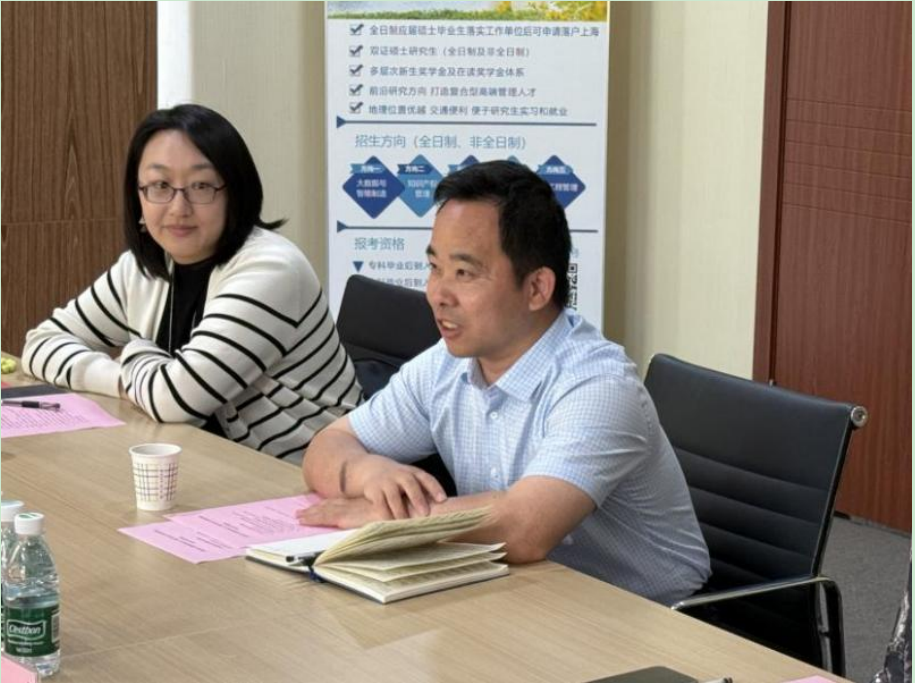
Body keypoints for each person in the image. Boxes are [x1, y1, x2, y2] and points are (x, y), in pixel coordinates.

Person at [299, 160, 710, 604]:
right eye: (435, 267)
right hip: (526, 595)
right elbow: (326, 448)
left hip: (653, 618)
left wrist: (385, 520)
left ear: (536, 289)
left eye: (464, 273)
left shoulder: (598, 387)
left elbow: (524, 528)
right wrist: (370, 473)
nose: (437, 294)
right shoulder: (445, 365)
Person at [22, 104, 360, 460]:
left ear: (235, 192)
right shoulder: (143, 268)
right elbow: (41, 343)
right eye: (160, 186)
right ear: (138, 197)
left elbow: (176, 400)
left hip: (303, 474)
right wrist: (122, 378)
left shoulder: (272, 269)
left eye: (201, 186)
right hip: (206, 463)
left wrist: (135, 352)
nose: (178, 208)